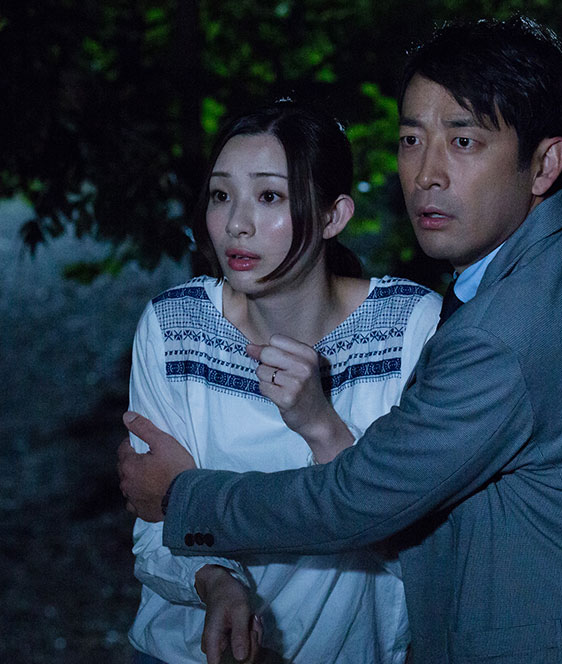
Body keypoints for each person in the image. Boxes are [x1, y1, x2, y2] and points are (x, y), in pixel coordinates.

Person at [118, 16, 562, 663]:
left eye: (464, 141)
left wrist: (182, 496)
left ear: (544, 163)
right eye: (412, 140)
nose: (427, 174)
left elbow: (356, 501)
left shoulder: (496, 332)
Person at [124, 101, 441, 664]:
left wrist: (320, 425)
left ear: (333, 216)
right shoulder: (174, 328)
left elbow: (426, 546)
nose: (236, 223)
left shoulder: (410, 328)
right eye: (221, 195)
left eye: (269, 196)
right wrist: (217, 581)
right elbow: (154, 517)